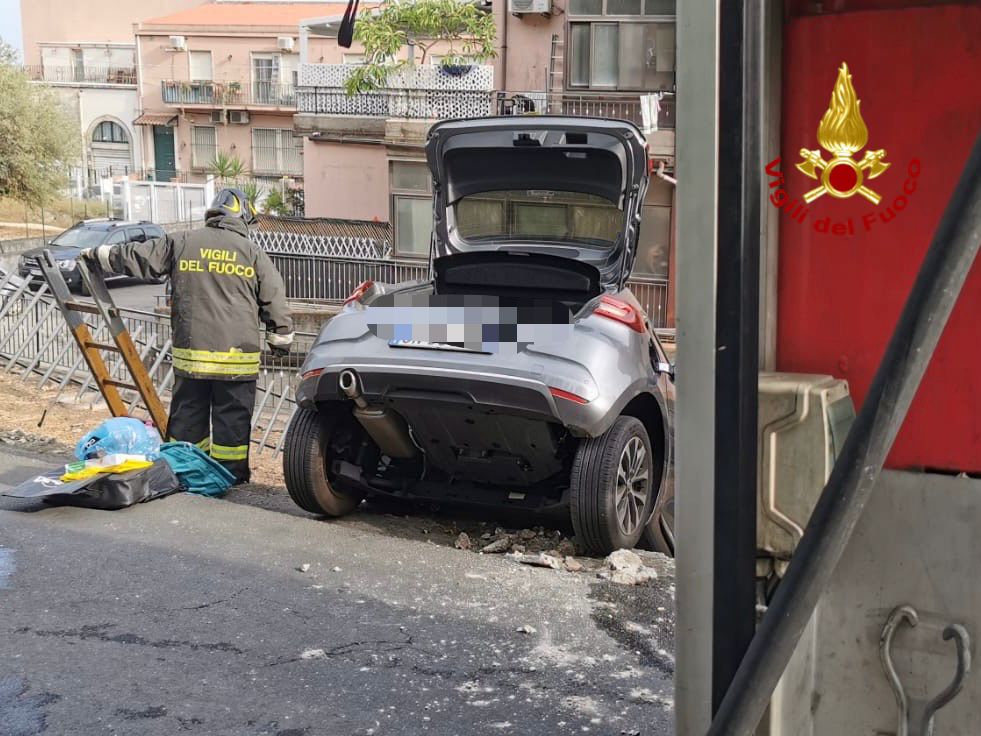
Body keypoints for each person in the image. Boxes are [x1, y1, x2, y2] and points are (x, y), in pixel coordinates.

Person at [82, 188, 293, 484]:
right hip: (236, 363)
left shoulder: (182, 241)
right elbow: (273, 298)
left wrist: (96, 254)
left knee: (189, 419)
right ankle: (229, 478)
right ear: (243, 217)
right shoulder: (252, 253)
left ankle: (187, 473)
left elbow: (138, 256)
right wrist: (280, 341)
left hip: (191, 359)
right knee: (232, 426)